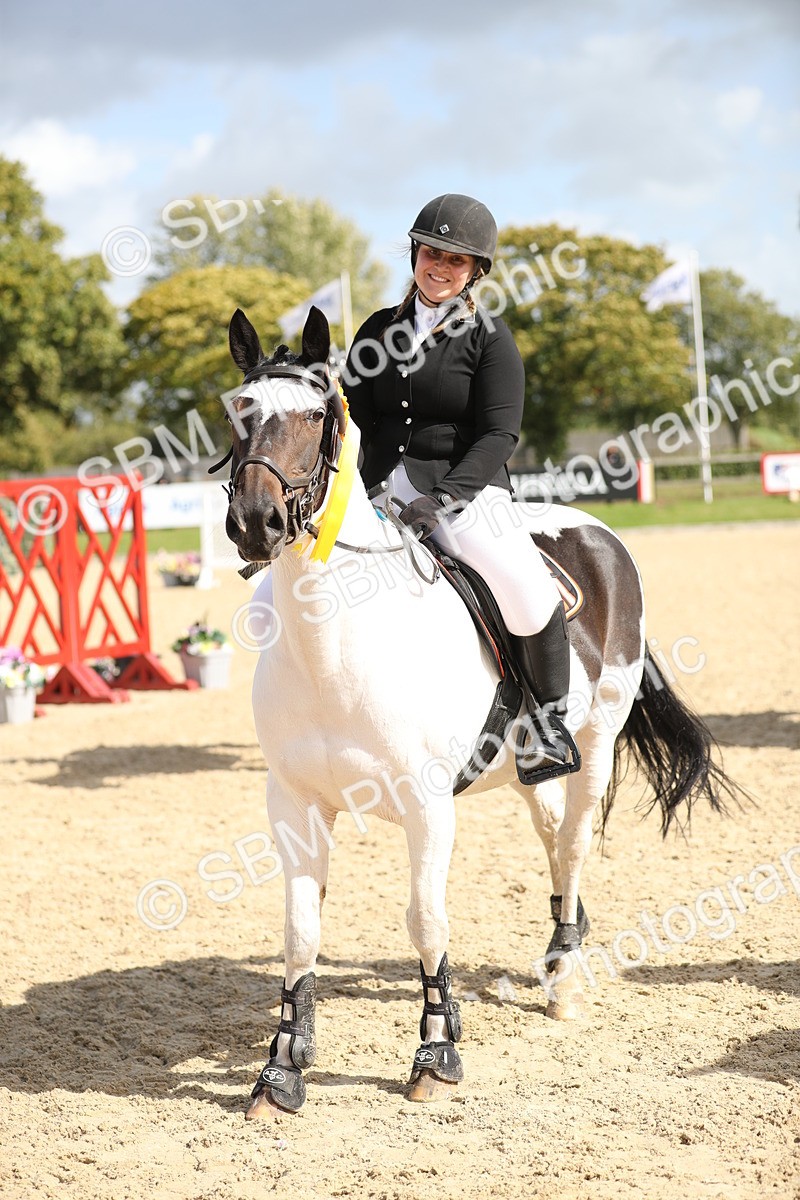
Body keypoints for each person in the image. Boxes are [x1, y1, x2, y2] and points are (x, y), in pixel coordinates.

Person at [342, 193, 574, 768]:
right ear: (416, 253)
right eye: (432, 253)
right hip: (379, 488)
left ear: (474, 272)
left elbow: (500, 434)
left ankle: (548, 726)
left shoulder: (489, 337)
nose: (440, 268)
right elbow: (356, 415)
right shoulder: (377, 329)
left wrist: (444, 497)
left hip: (466, 489)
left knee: (522, 584)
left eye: (456, 261)